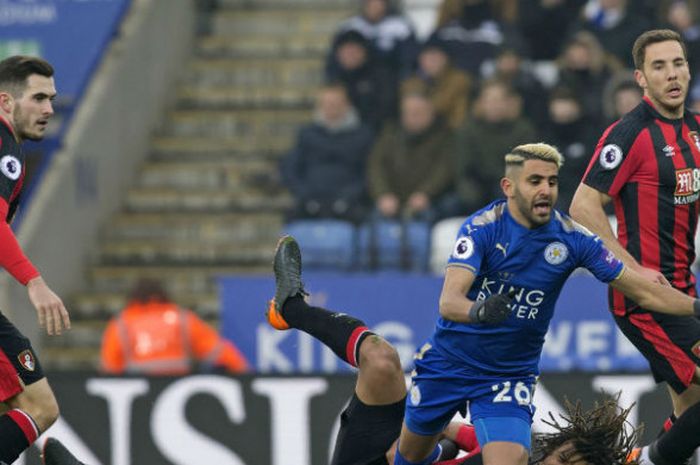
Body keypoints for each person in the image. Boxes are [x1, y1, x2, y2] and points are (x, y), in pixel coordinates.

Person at [265, 234, 698, 465]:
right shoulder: (516, 450)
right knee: (381, 359)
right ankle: (292, 307)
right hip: (382, 453)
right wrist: (444, 435)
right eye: (563, 461)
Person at [390, 142, 700, 465]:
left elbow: (645, 292)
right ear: (508, 187)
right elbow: (449, 302)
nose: (546, 190)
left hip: (507, 374)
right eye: (535, 181)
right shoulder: (481, 228)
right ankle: (443, 449)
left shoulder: (572, 239)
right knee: (408, 457)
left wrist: (695, 307)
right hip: (449, 362)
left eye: (552, 182)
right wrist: (479, 310)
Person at [569, 28, 700, 450]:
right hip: (644, 301)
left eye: (677, 63)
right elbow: (583, 205)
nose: (672, 74)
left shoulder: (696, 129)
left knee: (690, 410)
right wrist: (631, 268)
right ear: (641, 78)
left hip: (684, 287)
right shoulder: (630, 133)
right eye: (658, 66)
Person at [0, 55, 75, 464]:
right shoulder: (3, 145)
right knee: (39, 407)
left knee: (10, 411)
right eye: (39, 98)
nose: (48, 109)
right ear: (6, 102)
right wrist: (34, 281)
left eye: (52, 99)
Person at [100, 278, 249, 375]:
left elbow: (109, 369)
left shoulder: (121, 324)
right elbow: (220, 352)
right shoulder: (182, 319)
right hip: (176, 386)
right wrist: (244, 375)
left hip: (137, 397)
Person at [280, 84, 373, 223]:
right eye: (327, 104)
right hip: (310, 202)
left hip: (351, 203)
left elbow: (368, 173)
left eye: (336, 104)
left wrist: (348, 197)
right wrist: (306, 196)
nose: (331, 108)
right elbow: (290, 169)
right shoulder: (307, 134)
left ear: (347, 105)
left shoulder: (362, 136)